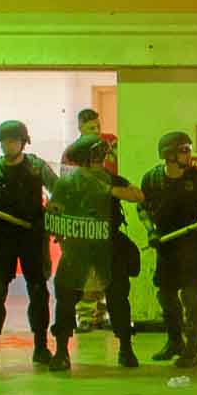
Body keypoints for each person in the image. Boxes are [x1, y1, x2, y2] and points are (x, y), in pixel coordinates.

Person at [45, 135, 144, 371]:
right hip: (78, 245)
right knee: (66, 295)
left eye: (102, 156)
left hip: (109, 245)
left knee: (118, 296)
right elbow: (54, 210)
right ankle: (61, 351)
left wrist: (110, 189)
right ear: (84, 160)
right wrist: (55, 217)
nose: (101, 161)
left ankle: (126, 349)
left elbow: (138, 195)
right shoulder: (68, 183)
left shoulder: (110, 179)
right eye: (96, 157)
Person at [0, 120, 58, 370]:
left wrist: (54, 210)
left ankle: (41, 347)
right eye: (5, 141)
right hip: (3, 237)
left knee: (38, 291)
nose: (8, 146)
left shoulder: (37, 167)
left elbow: (59, 191)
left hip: (32, 235)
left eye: (13, 141)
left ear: (23, 142)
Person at [140, 131, 197, 369]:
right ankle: (174, 341)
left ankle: (191, 349)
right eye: (184, 150)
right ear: (169, 155)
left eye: (189, 149)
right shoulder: (152, 179)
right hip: (166, 246)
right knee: (165, 296)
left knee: (191, 297)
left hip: (194, 248)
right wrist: (151, 231)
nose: (189, 154)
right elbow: (143, 210)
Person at [74, 108, 121, 332]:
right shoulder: (73, 153)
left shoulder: (108, 147)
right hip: (84, 218)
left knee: (104, 270)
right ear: (80, 128)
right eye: (91, 128)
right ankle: (84, 315)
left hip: (107, 216)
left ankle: (100, 314)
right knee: (86, 272)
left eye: (98, 127)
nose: (96, 131)